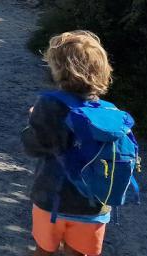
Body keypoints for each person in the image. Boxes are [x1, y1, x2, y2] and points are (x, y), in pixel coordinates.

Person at [22, 31, 126, 256]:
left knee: (43, 251)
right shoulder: (111, 113)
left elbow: (32, 147)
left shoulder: (48, 105)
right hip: (94, 205)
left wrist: (33, 120)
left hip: (51, 200)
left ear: (58, 69)